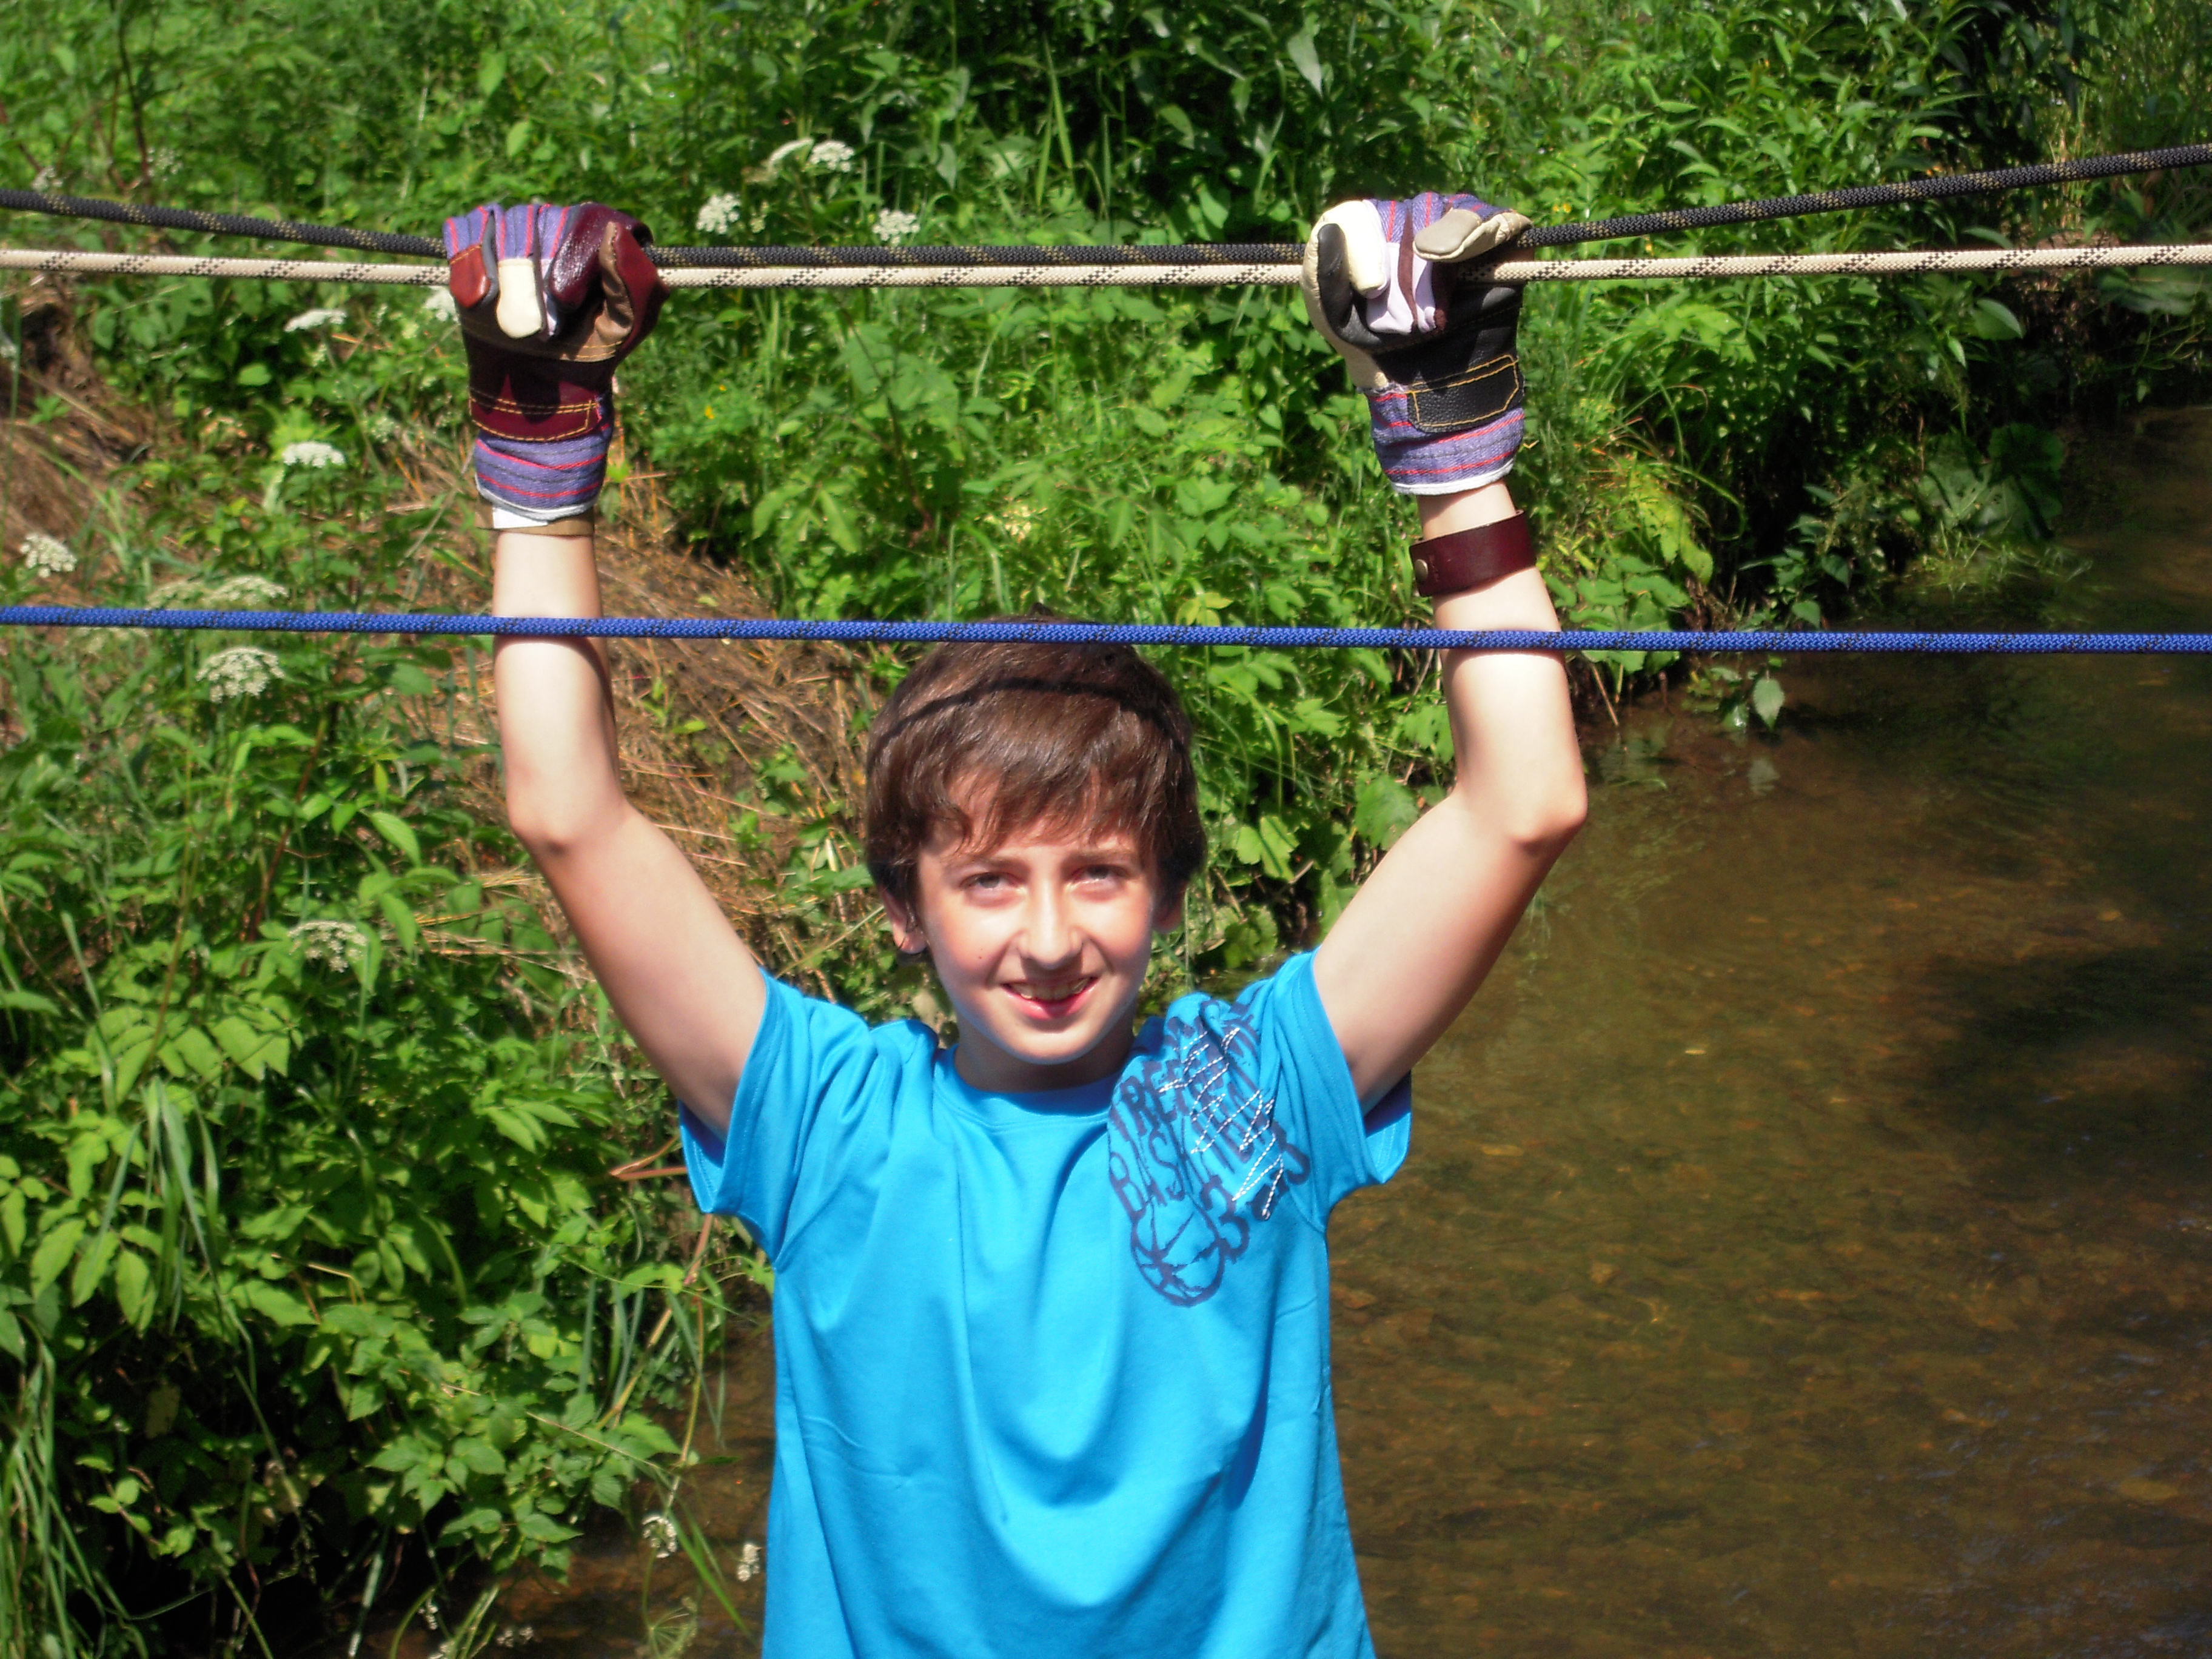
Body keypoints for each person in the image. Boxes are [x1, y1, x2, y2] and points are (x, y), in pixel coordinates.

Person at [447, 189, 1585, 1658]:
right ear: (902, 909)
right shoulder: (823, 1119)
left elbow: (1523, 805)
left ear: (1172, 893)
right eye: (988, 881)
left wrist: (1453, 446)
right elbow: (568, 814)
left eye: (1100, 873)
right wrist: (540, 458)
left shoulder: (1266, 1087)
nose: (1048, 939)